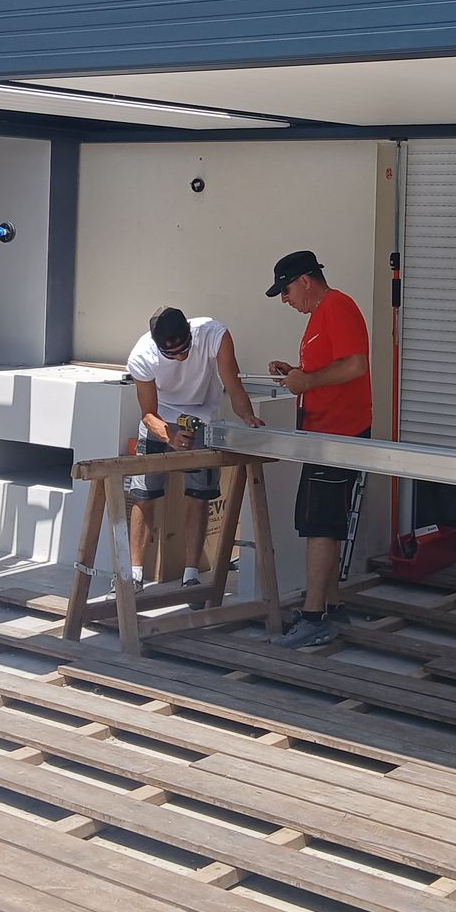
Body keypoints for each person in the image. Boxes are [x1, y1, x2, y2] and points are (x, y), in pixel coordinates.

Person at [264, 250, 371, 650]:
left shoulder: (337, 307)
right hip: (324, 433)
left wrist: (307, 382)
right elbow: (333, 367)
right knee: (323, 520)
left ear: (306, 280)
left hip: (337, 434)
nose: (285, 299)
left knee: (319, 524)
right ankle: (331, 605)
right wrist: (297, 373)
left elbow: (355, 365)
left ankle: (313, 617)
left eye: (286, 289)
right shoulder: (321, 315)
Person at [123, 306, 263, 591]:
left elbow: (233, 385)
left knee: (199, 496)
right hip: (160, 420)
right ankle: (133, 574)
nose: (181, 357)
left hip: (202, 417)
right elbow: (148, 413)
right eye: (171, 354)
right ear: (157, 346)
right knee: (143, 495)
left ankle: (191, 574)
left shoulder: (214, 334)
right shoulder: (141, 356)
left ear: (190, 332)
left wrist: (248, 417)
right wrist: (170, 436)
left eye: (185, 349)